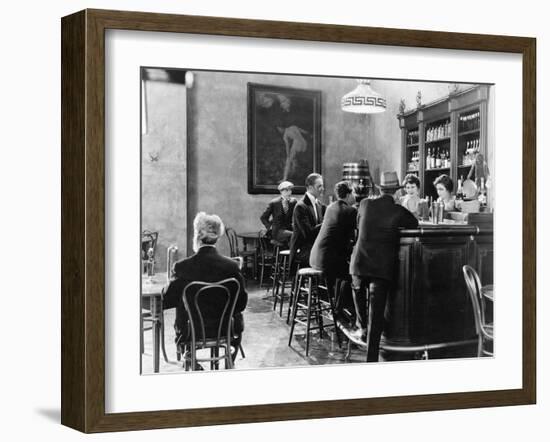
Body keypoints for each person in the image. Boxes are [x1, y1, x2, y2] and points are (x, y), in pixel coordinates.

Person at [349, 171, 419, 362]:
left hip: (358, 265)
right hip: (380, 269)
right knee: (376, 316)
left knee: (357, 291)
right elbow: (414, 223)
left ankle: (360, 327)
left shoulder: (364, 204)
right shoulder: (398, 210)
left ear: (379, 189)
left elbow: (358, 224)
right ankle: (371, 358)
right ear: (396, 192)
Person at [162, 212, 248, 363]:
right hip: (227, 329)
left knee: (181, 309)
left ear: (197, 236)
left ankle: (189, 359)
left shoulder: (183, 267)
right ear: (218, 236)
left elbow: (167, 300)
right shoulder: (232, 266)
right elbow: (241, 304)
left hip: (192, 331)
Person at [310, 181, 357, 320]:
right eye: (353, 192)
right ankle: (340, 311)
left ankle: (338, 308)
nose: (354, 196)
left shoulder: (331, 207)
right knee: (353, 274)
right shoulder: (350, 210)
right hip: (327, 260)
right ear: (348, 194)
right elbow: (354, 235)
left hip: (316, 256)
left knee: (344, 271)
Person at [289, 173, 325, 266]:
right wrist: (327, 222)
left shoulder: (320, 205)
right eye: (319, 186)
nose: (322, 189)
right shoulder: (301, 206)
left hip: (314, 247)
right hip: (303, 250)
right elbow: (308, 234)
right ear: (310, 187)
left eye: (322, 186)